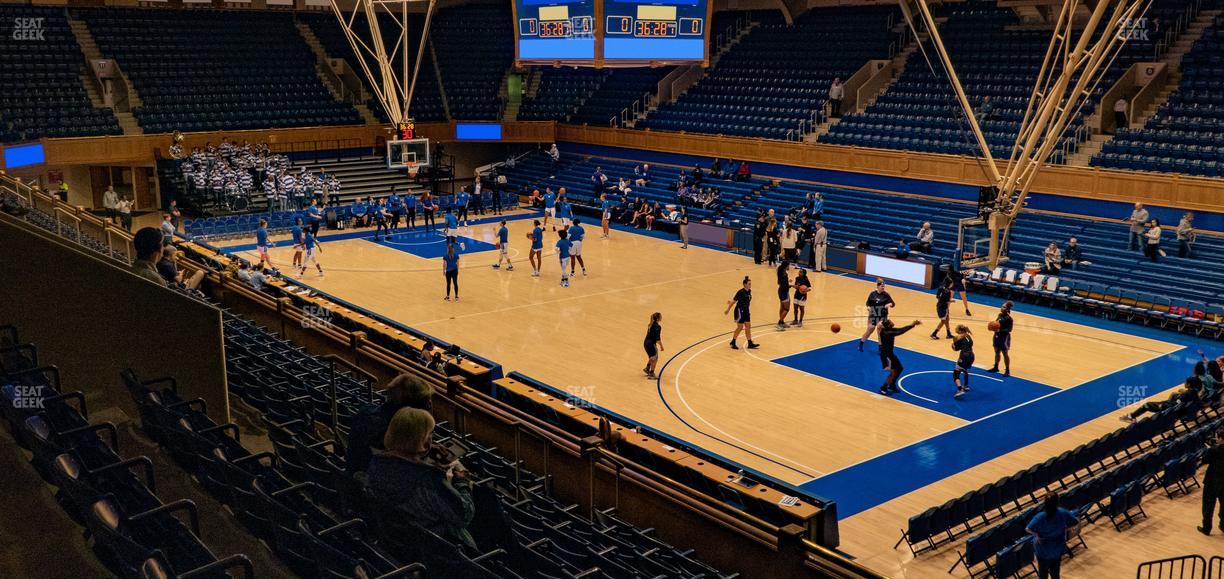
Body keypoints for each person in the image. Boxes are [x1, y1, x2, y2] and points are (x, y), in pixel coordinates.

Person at [366, 407, 477, 549]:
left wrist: (424, 455)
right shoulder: (428, 478)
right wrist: (462, 481)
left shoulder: (377, 462)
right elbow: (464, 514)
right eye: (430, 434)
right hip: (442, 547)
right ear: (424, 440)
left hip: (400, 542)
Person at [1026, 493, 1078, 579]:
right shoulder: (1063, 512)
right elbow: (1075, 522)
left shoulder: (1040, 516)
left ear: (1045, 503)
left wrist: (1037, 535)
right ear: (1057, 502)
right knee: (1055, 573)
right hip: (1057, 548)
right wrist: (1066, 529)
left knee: (1043, 574)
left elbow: (1028, 528)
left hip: (1043, 550)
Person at [1121, 376, 1201, 423]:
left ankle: (1131, 416)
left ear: (1189, 384)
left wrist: (1163, 405)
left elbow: (1175, 405)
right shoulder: (1194, 392)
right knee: (1174, 395)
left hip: (1172, 411)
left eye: (1185, 382)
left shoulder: (1185, 394)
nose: (1184, 383)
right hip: (1185, 411)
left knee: (1146, 405)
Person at [877, 319, 921, 395]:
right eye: (890, 321)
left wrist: (912, 325)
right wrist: (912, 325)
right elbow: (900, 331)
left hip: (890, 354)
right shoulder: (887, 332)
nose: (892, 321)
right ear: (888, 325)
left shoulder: (887, 330)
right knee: (892, 372)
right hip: (886, 356)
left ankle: (892, 385)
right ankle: (883, 388)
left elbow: (899, 329)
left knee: (900, 368)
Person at [859, 278, 895, 351]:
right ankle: (861, 343)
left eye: (884, 286)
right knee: (870, 330)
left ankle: (880, 347)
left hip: (882, 316)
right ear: (878, 286)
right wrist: (868, 307)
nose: (883, 288)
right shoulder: (872, 294)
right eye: (882, 286)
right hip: (873, 315)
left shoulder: (886, 294)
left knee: (879, 330)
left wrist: (889, 304)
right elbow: (867, 303)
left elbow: (893, 303)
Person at [1200, 428, 1224, 536]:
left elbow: (1205, 460)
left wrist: (1209, 450)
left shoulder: (1214, 450)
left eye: (1216, 437)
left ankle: (1207, 528)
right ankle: (1223, 525)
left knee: (1208, 505)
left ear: (1220, 438)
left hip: (1212, 481)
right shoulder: (1215, 449)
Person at [725, 276, 759, 350]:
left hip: (746, 310)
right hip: (740, 311)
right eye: (749, 284)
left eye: (750, 284)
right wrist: (728, 309)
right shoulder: (740, 292)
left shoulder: (749, 291)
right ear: (745, 284)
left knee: (748, 326)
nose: (750, 285)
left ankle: (750, 343)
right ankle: (733, 342)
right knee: (740, 327)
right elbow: (733, 301)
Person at [988, 301, 1014, 376]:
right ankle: (996, 367)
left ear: (1007, 309)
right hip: (996, 336)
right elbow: (996, 323)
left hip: (1004, 337)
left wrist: (1000, 330)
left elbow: (1010, 330)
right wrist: (992, 326)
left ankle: (1007, 370)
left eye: (1004, 307)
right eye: (1002, 306)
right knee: (996, 352)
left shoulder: (1009, 319)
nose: (1001, 308)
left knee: (1005, 354)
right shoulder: (999, 315)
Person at [951, 325, 974, 398]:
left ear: (960, 331)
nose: (956, 330)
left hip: (964, 356)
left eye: (957, 329)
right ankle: (966, 386)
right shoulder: (968, 336)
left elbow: (956, 349)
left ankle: (960, 389)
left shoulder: (958, 337)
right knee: (965, 369)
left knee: (956, 373)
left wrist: (953, 345)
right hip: (971, 355)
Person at [643, 312, 663, 379]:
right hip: (651, 344)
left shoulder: (650, 324)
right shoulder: (658, 327)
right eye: (660, 316)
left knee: (652, 357)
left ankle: (647, 368)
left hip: (646, 343)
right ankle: (651, 373)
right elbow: (658, 339)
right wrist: (661, 346)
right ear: (658, 318)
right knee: (655, 358)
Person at [774, 260, 792, 331]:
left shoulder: (780, 271)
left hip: (780, 291)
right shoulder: (784, 274)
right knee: (786, 309)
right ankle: (780, 322)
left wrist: (787, 282)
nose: (789, 266)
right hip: (784, 292)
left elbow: (779, 283)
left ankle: (782, 322)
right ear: (786, 266)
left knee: (782, 307)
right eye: (788, 265)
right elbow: (785, 286)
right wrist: (791, 285)